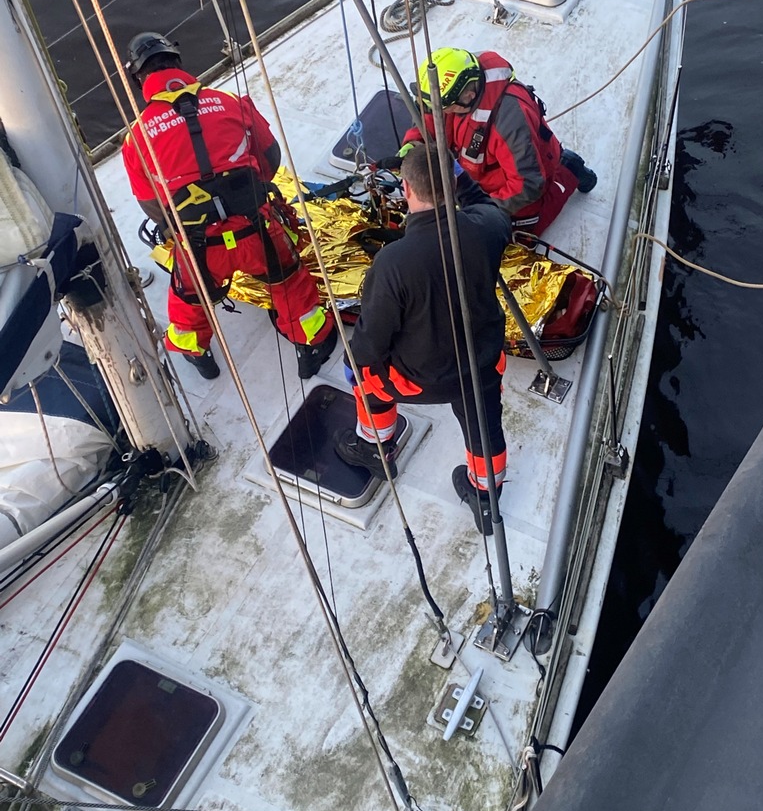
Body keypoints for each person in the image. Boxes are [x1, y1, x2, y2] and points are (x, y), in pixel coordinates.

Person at [121, 31, 336, 380]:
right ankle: (309, 346)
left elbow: (152, 204)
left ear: (138, 78)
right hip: (257, 232)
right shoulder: (229, 100)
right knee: (290, 283)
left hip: (200, 248)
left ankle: (197, 355)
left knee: (189, 300)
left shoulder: (137, 136)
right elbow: (270, 159)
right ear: (178, 61)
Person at [334, 141, 510, 533]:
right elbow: (489, 207)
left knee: (366, 377)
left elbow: (370, 342)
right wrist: (459, 178)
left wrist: (352, 365)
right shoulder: (488, 229)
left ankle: (376, 449)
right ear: (453, 182)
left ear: (406, 190)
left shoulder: (393, 262)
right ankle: (485, 494)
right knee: (485, 423)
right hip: (481, 368)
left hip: (417, 381)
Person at [404, 47, 597, 235]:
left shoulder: (509, 122)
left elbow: (528, 184)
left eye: (447, 109)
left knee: (518, 235)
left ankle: (569, 169)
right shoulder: (459, 82)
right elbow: (428, 115)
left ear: (468, 97)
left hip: (518, 177)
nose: (444, 114)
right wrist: (413, 145)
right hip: (475, 175)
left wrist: (482, 212)